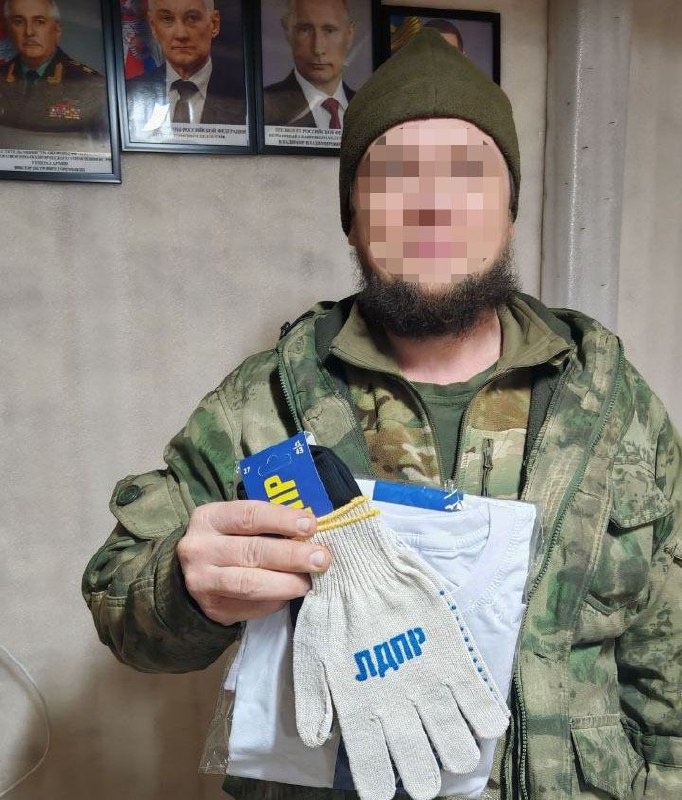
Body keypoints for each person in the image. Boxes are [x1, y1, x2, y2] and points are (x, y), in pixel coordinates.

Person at [83, 28, 682, 800]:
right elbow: (119, 600)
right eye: (395, 174)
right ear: (353, 215)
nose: (432, 204)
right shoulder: (261, 402)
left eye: (467, 172)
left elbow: (668, 668)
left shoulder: (611, 401)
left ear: (509, 210)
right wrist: (184, 586)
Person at [125, 0, 245, 137]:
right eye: (167, 19)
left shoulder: (246, 96)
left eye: (192, 18)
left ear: (214, 23)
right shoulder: (128, 94)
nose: (181, 34)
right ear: (153, 26)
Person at [0, 0, 107, 133]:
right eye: (19, 22)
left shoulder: (91, 84)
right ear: (9, 30)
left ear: (57, 30)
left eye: (39, 22)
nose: (29, 32)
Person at [263, 0, 356, 129]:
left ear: (350, 34)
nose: (318, 49)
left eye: (329, 30)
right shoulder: (262, 107)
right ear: (288, 32)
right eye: (305, 30)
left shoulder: (369, 109)